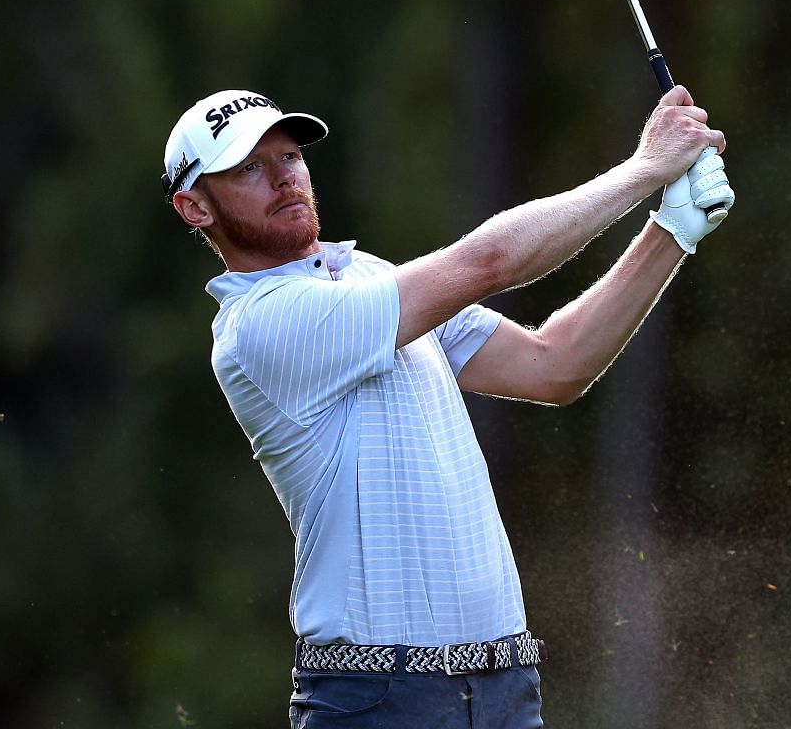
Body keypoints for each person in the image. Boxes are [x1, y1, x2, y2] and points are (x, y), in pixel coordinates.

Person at [159, 85, 733, 728]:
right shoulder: (262, 325)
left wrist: (671, 230)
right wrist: (645, 169)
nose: (284, 179)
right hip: (381, 700)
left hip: (504, 687)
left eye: (289, 157)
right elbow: (491, 261)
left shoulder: (370, 279)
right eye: (248, 170)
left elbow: (555, 364)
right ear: (194, 208)